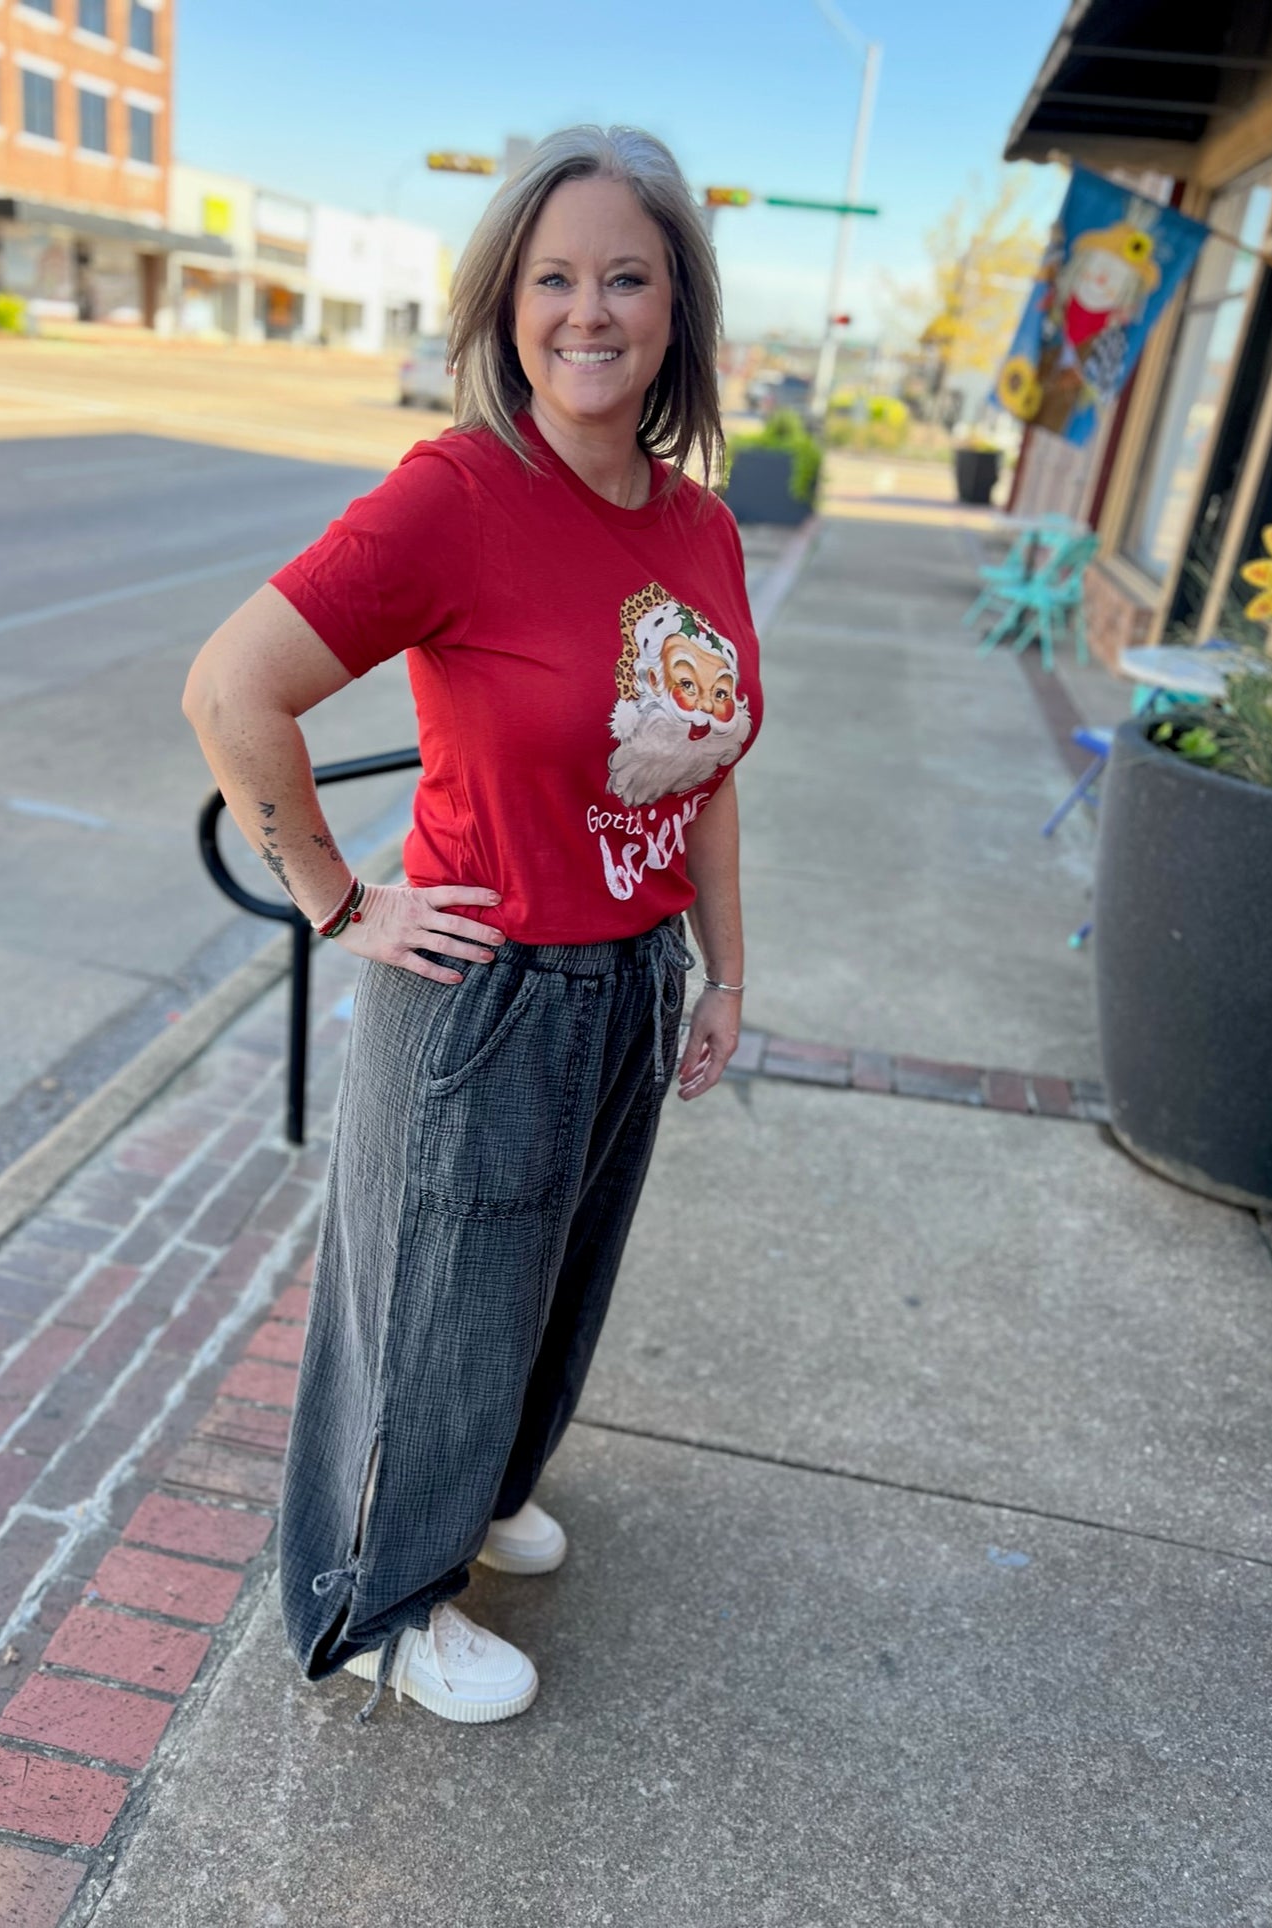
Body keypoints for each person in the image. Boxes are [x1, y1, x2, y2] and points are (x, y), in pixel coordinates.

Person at [181, 124, 763, 1726]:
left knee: (555, 1286)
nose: (588, 311)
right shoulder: (460, 494)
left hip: (632, 978)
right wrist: (337, 899)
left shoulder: (697, 525)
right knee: (433, 1308)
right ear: (504, 306)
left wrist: (721, 965)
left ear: (676, 311)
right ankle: (379, 1595)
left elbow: (707, 768)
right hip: (487, 986)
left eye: (626, 277)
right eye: (552, 277)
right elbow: (233, 691)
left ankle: (483, 1494)